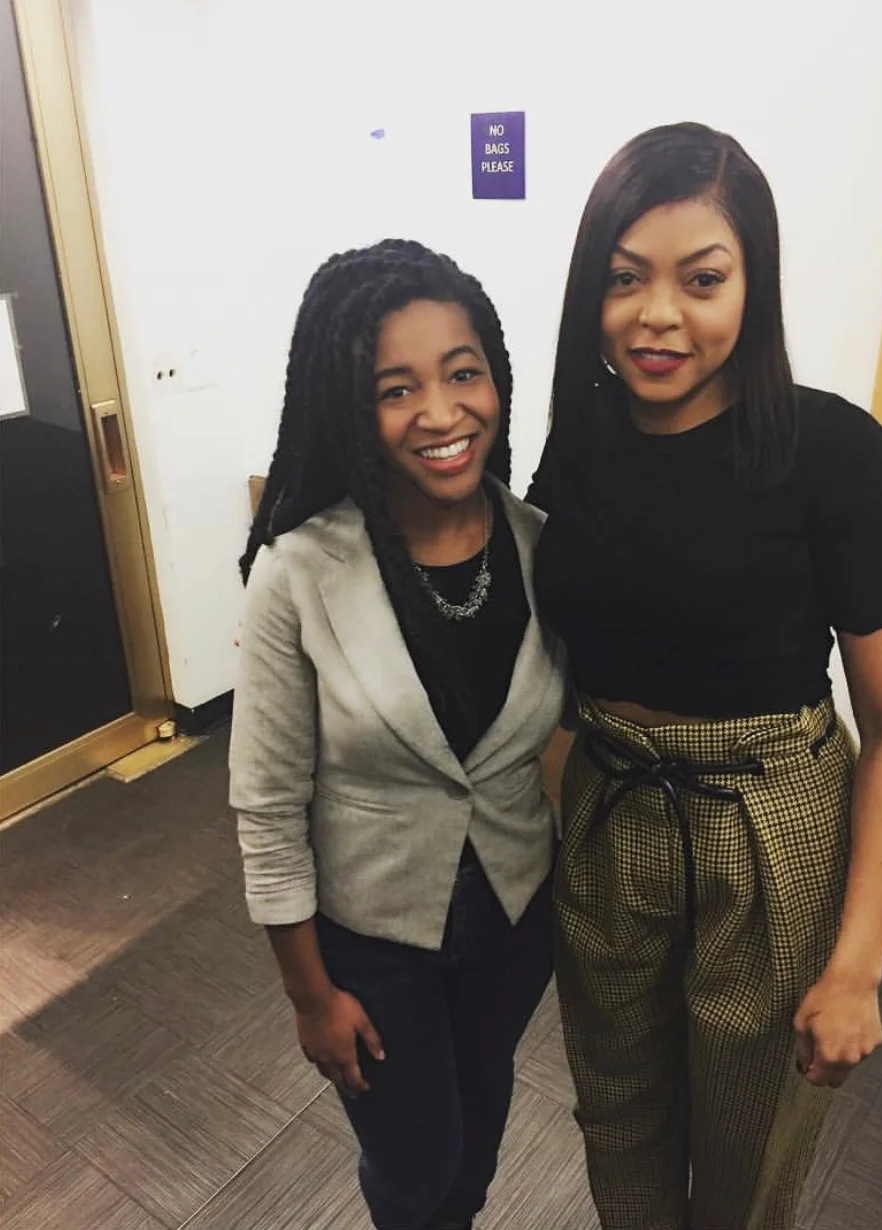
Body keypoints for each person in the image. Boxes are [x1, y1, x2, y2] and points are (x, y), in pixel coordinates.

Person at [526, 122, 882, 1230]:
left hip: (769, 825)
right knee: (616, 1117)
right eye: (624, 279)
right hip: (608, 818)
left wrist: (858, 968)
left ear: (753, 283)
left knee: (748, 1145)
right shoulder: (582, 440)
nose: (657, 314)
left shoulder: (836, 455)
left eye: (700, 279)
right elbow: (560, 662)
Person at [228, 239, 566, 1230]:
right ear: (351, 410)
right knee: (415, 1168)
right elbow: (266, 807)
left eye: (463, 373)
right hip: (371, 947)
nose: (441, 412)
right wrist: (308, 997)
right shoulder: (298, 571)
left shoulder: (542, 547)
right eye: (396, 389)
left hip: (513, 921)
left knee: (478, 1132)